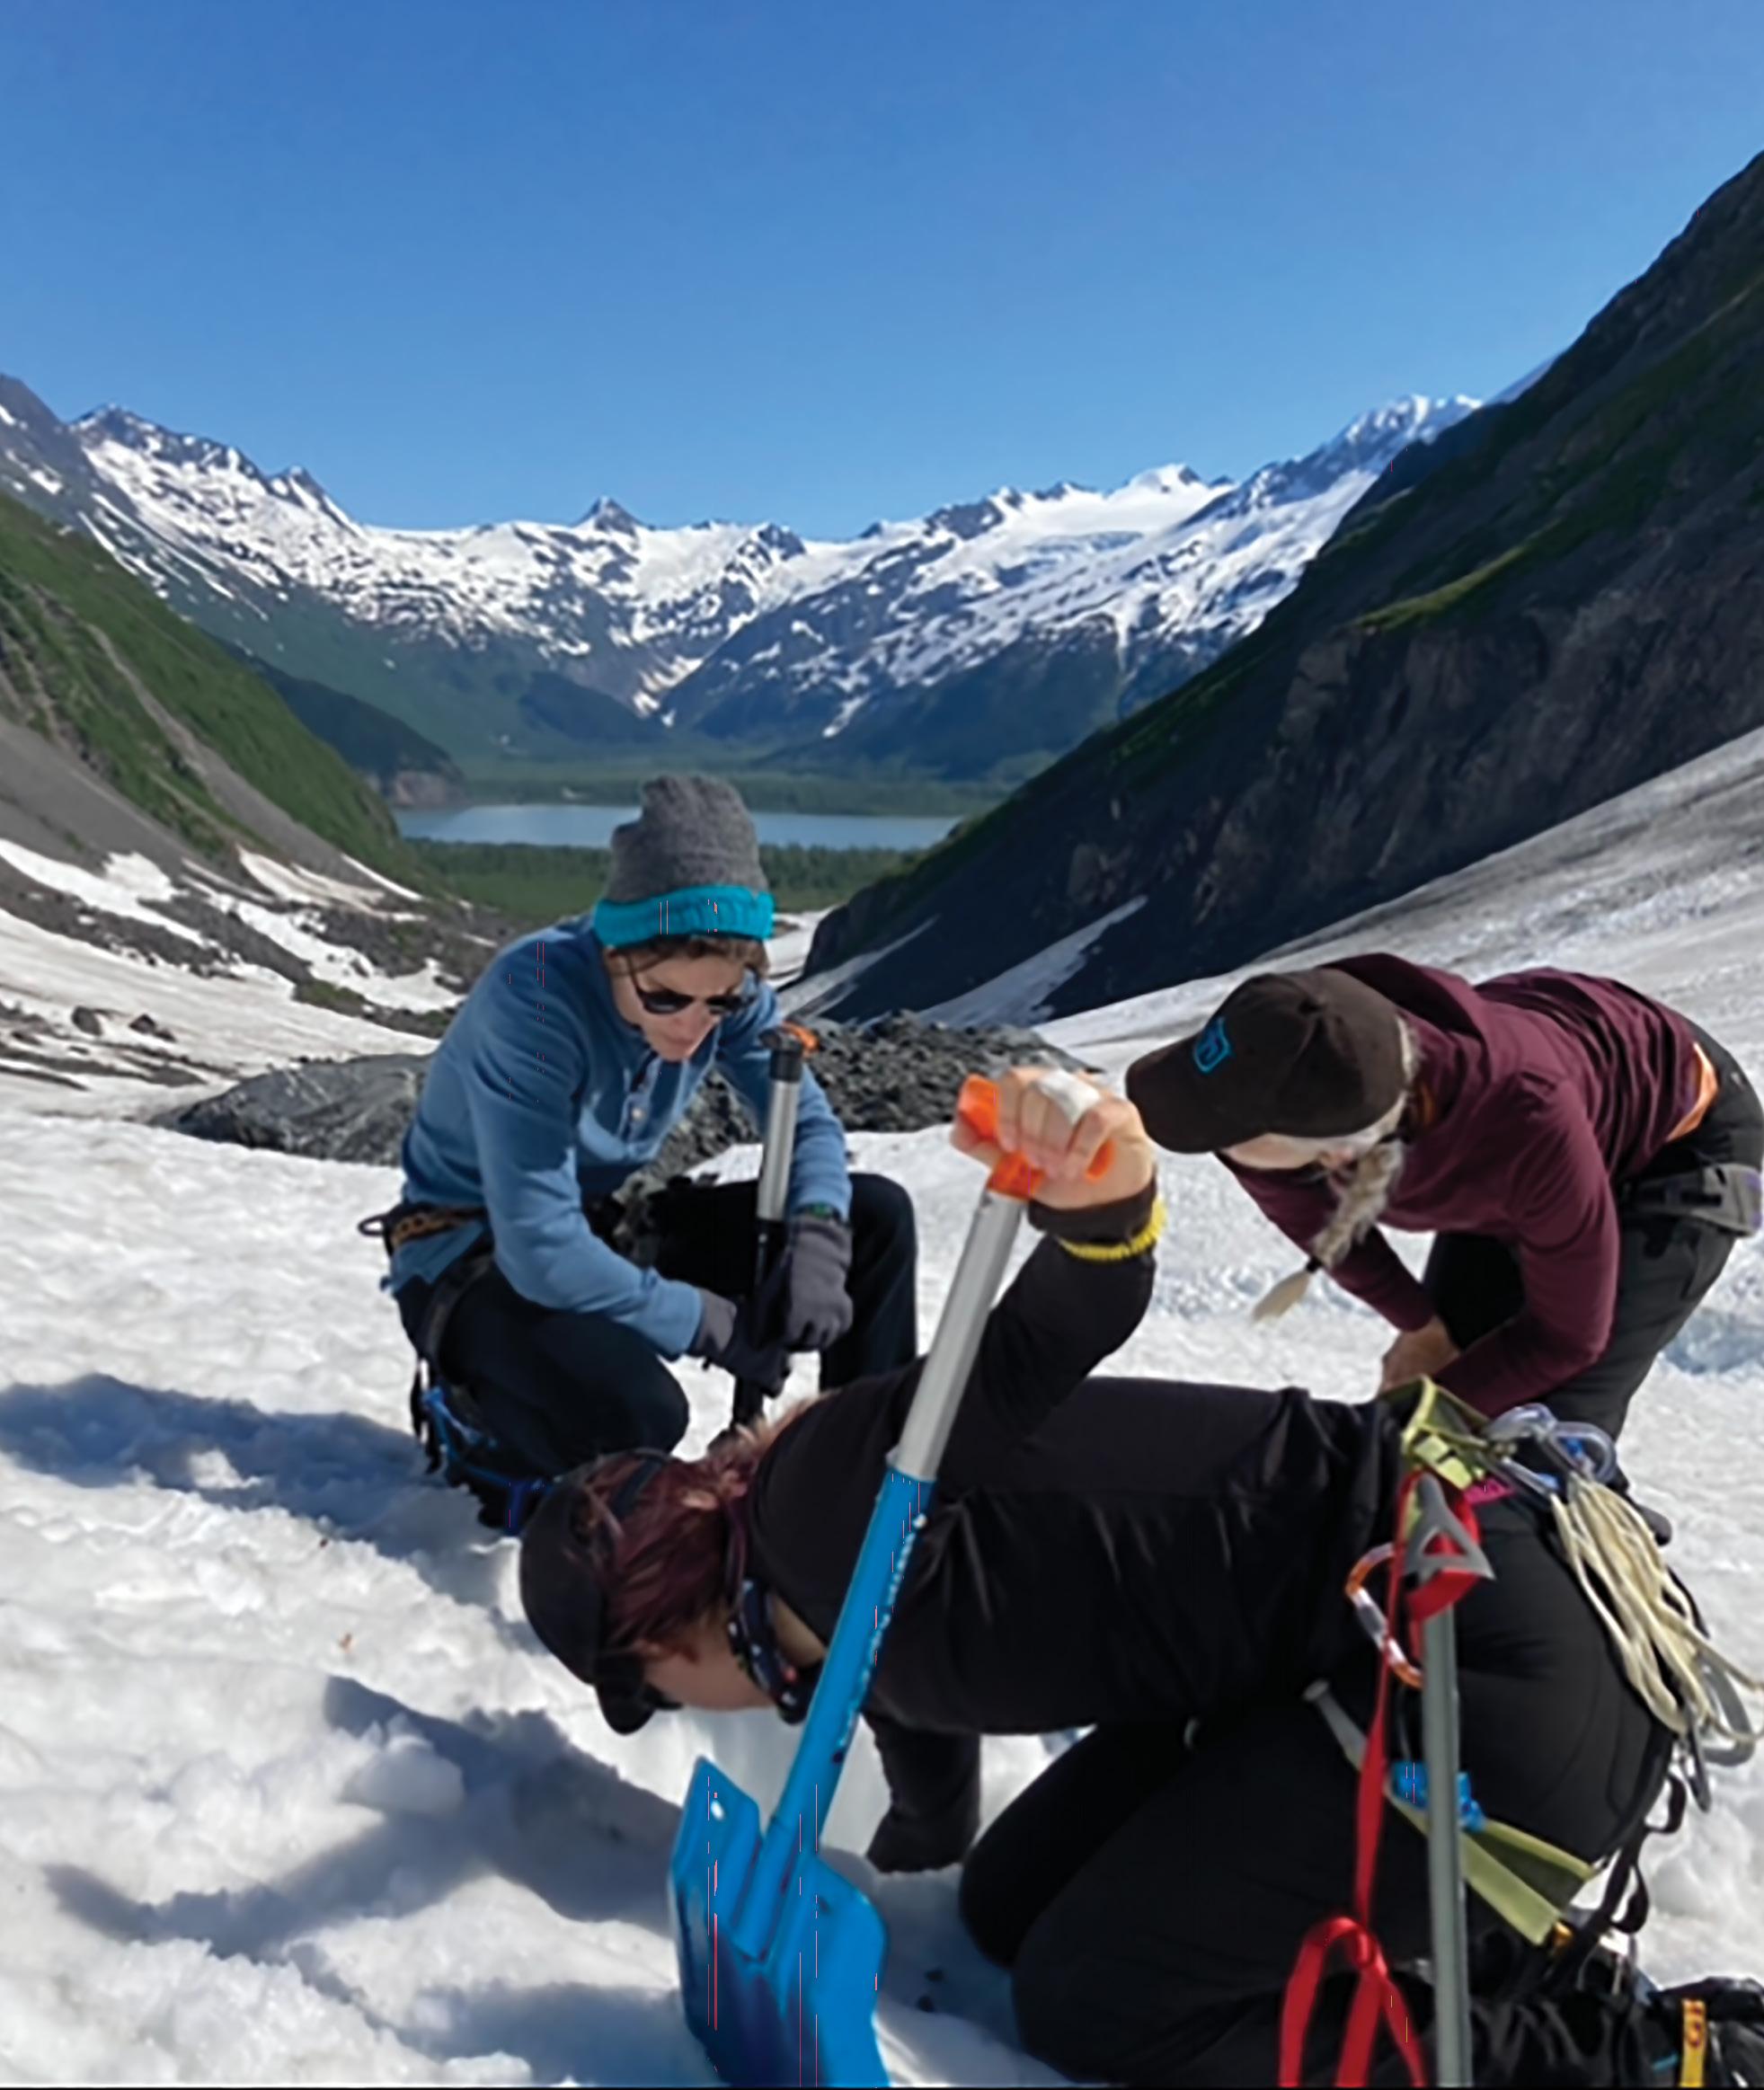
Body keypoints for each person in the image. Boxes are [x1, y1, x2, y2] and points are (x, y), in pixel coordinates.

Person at [516, 1069, 1754, 2086]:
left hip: (1480, 1667)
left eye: (657, 1693)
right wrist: (864, 1884)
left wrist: (1104, 1207)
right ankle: (1450, 1960)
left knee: (1096, 2004)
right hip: (1371, 1656)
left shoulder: (829, 1498)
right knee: (1005, 1905)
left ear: (656, 1630)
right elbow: (930, 1799)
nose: (689, 1707)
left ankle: (1629, 2057)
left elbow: (1060, 1325)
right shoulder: (832, 1620)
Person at [377, 775, 917, 1498]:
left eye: (719, 1002)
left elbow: (808, 1123)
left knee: (874, 1218)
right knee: (640, 1416)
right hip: (469, 1255)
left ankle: (860, 1481)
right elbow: (539, 1249)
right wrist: (704, 1322)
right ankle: (484, 1427)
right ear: (614, 950)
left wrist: (818, 1234)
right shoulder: (534, 999)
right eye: (664, 997)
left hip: (601, 1225)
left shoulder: (727, 997)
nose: (693, 1025)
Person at [1123, 956, 1762, 1439]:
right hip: (1531, 1142)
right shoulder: (1309, 1037)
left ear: (1337, 1153)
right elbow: (1308, 1213)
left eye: (1228, 1132)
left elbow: (1567, 1338)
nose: (1214, 1140)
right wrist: (1422, 1331)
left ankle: (1579, 1584)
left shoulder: (1524, 1122)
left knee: (1547, 1431)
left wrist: (1421, 1423)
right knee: (1437, 1408)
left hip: (1678, 1152)